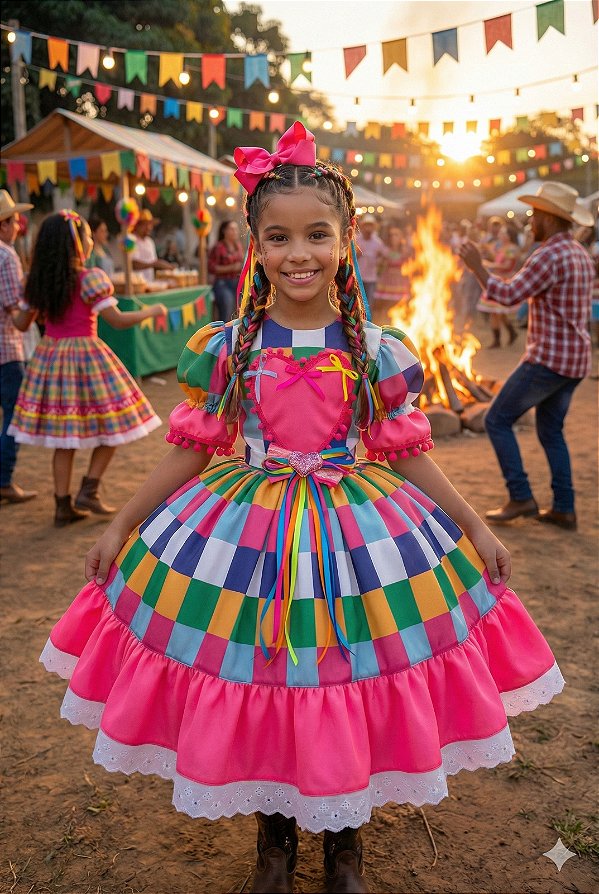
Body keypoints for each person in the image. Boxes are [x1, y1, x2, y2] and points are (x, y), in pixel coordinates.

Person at [39, 125, 564, 894]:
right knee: (269, 677)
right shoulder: (228, 346)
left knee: (343, 674)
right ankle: (274, 841)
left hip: (353, 540)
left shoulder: (374, 348)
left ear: (346, 241)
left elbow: (406, 451)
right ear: (253, 244)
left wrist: (474, 526)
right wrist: (121, 523)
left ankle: (344, 844)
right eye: (278, 237)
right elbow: (190, 449)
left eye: (317, 235)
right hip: (250, 538)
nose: (298, 254)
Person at [8, 210, 166, 527]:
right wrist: (152, 311)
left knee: (63, 437)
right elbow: (117, 320)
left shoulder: (37, 283)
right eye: (88, 237)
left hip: (51, 358)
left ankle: (62, 504)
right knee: (118, 421)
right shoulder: (89, 279)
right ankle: (89, 489)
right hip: (86, 356)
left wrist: (11, 309)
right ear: (76, 243)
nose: (91, 241)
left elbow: (21, 324)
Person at [459, 182, 594, 531]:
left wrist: (476, 266)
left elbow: (508, 295)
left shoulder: (549, 254)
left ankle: (521, 496)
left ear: (549, 218)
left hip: (548, 359)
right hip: (575, 360)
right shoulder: (578, 252)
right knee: (551, 431)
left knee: (496, 420)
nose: (530, 221)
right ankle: (564, 508)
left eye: (535, 215)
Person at [0, 189, 38, 504]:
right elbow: (16, 310)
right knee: (14, 418)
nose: (17, 226)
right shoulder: (6, 255)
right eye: (13, 221)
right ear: (3, 224)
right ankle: (4, 479)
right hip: (7, 350)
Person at [476, 223, 521, 348]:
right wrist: (486, 249)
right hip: (497, 279)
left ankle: (501, 338)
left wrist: (489, 265)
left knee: (497, 312)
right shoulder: (501, 247)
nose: (500, 234)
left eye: (503, 233)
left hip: (503, 281)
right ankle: (509, 334)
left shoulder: (512, 249)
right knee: (497, 312)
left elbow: (507, 265)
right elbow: (496, 257)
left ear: (509, 236)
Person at [372, 222, 411, 324]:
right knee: (384, 305)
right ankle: (383, 325)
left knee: (399, 304)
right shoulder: (385, 250)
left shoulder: (404, 251)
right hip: (386, 280)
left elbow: (409, 266)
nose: (393, 238)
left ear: (401, 238)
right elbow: (379, 263)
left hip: (400, 281)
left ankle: (397, 324)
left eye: (396, 235)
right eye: (391, 235)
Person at [208, 219, 244, 321]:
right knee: (226, 314)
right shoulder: (218, 247)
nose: (235, 232)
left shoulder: (238, 246)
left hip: (237, 282)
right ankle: (223, 331)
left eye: (236, 229)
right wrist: (231, 268)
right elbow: (211, 267)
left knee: (238, 313)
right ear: (224, 231)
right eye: (232, 229)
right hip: (223, 283)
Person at [131, 209, 175, 283]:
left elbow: (154, 262)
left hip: (150, 282)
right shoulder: (131, 240)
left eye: (150, 224)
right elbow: (133, 264)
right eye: (145, 224)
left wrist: (166, 266)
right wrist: (154, 264)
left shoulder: (149, 241)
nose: (149, 227)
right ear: (137, 226)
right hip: (136, 283)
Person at [356, 214, 386, 310]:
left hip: (371, 278)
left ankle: (367, 319)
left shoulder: (377, 242)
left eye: (370, 225)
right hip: (357, 277)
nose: (368, 228)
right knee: (357, 303)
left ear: (373, 227)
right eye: (366, 225)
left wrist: (379, 261)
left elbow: (383, 256)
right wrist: (356, 255)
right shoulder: (356, 240)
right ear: (362, 226)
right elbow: (349, 256)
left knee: (368, 304)